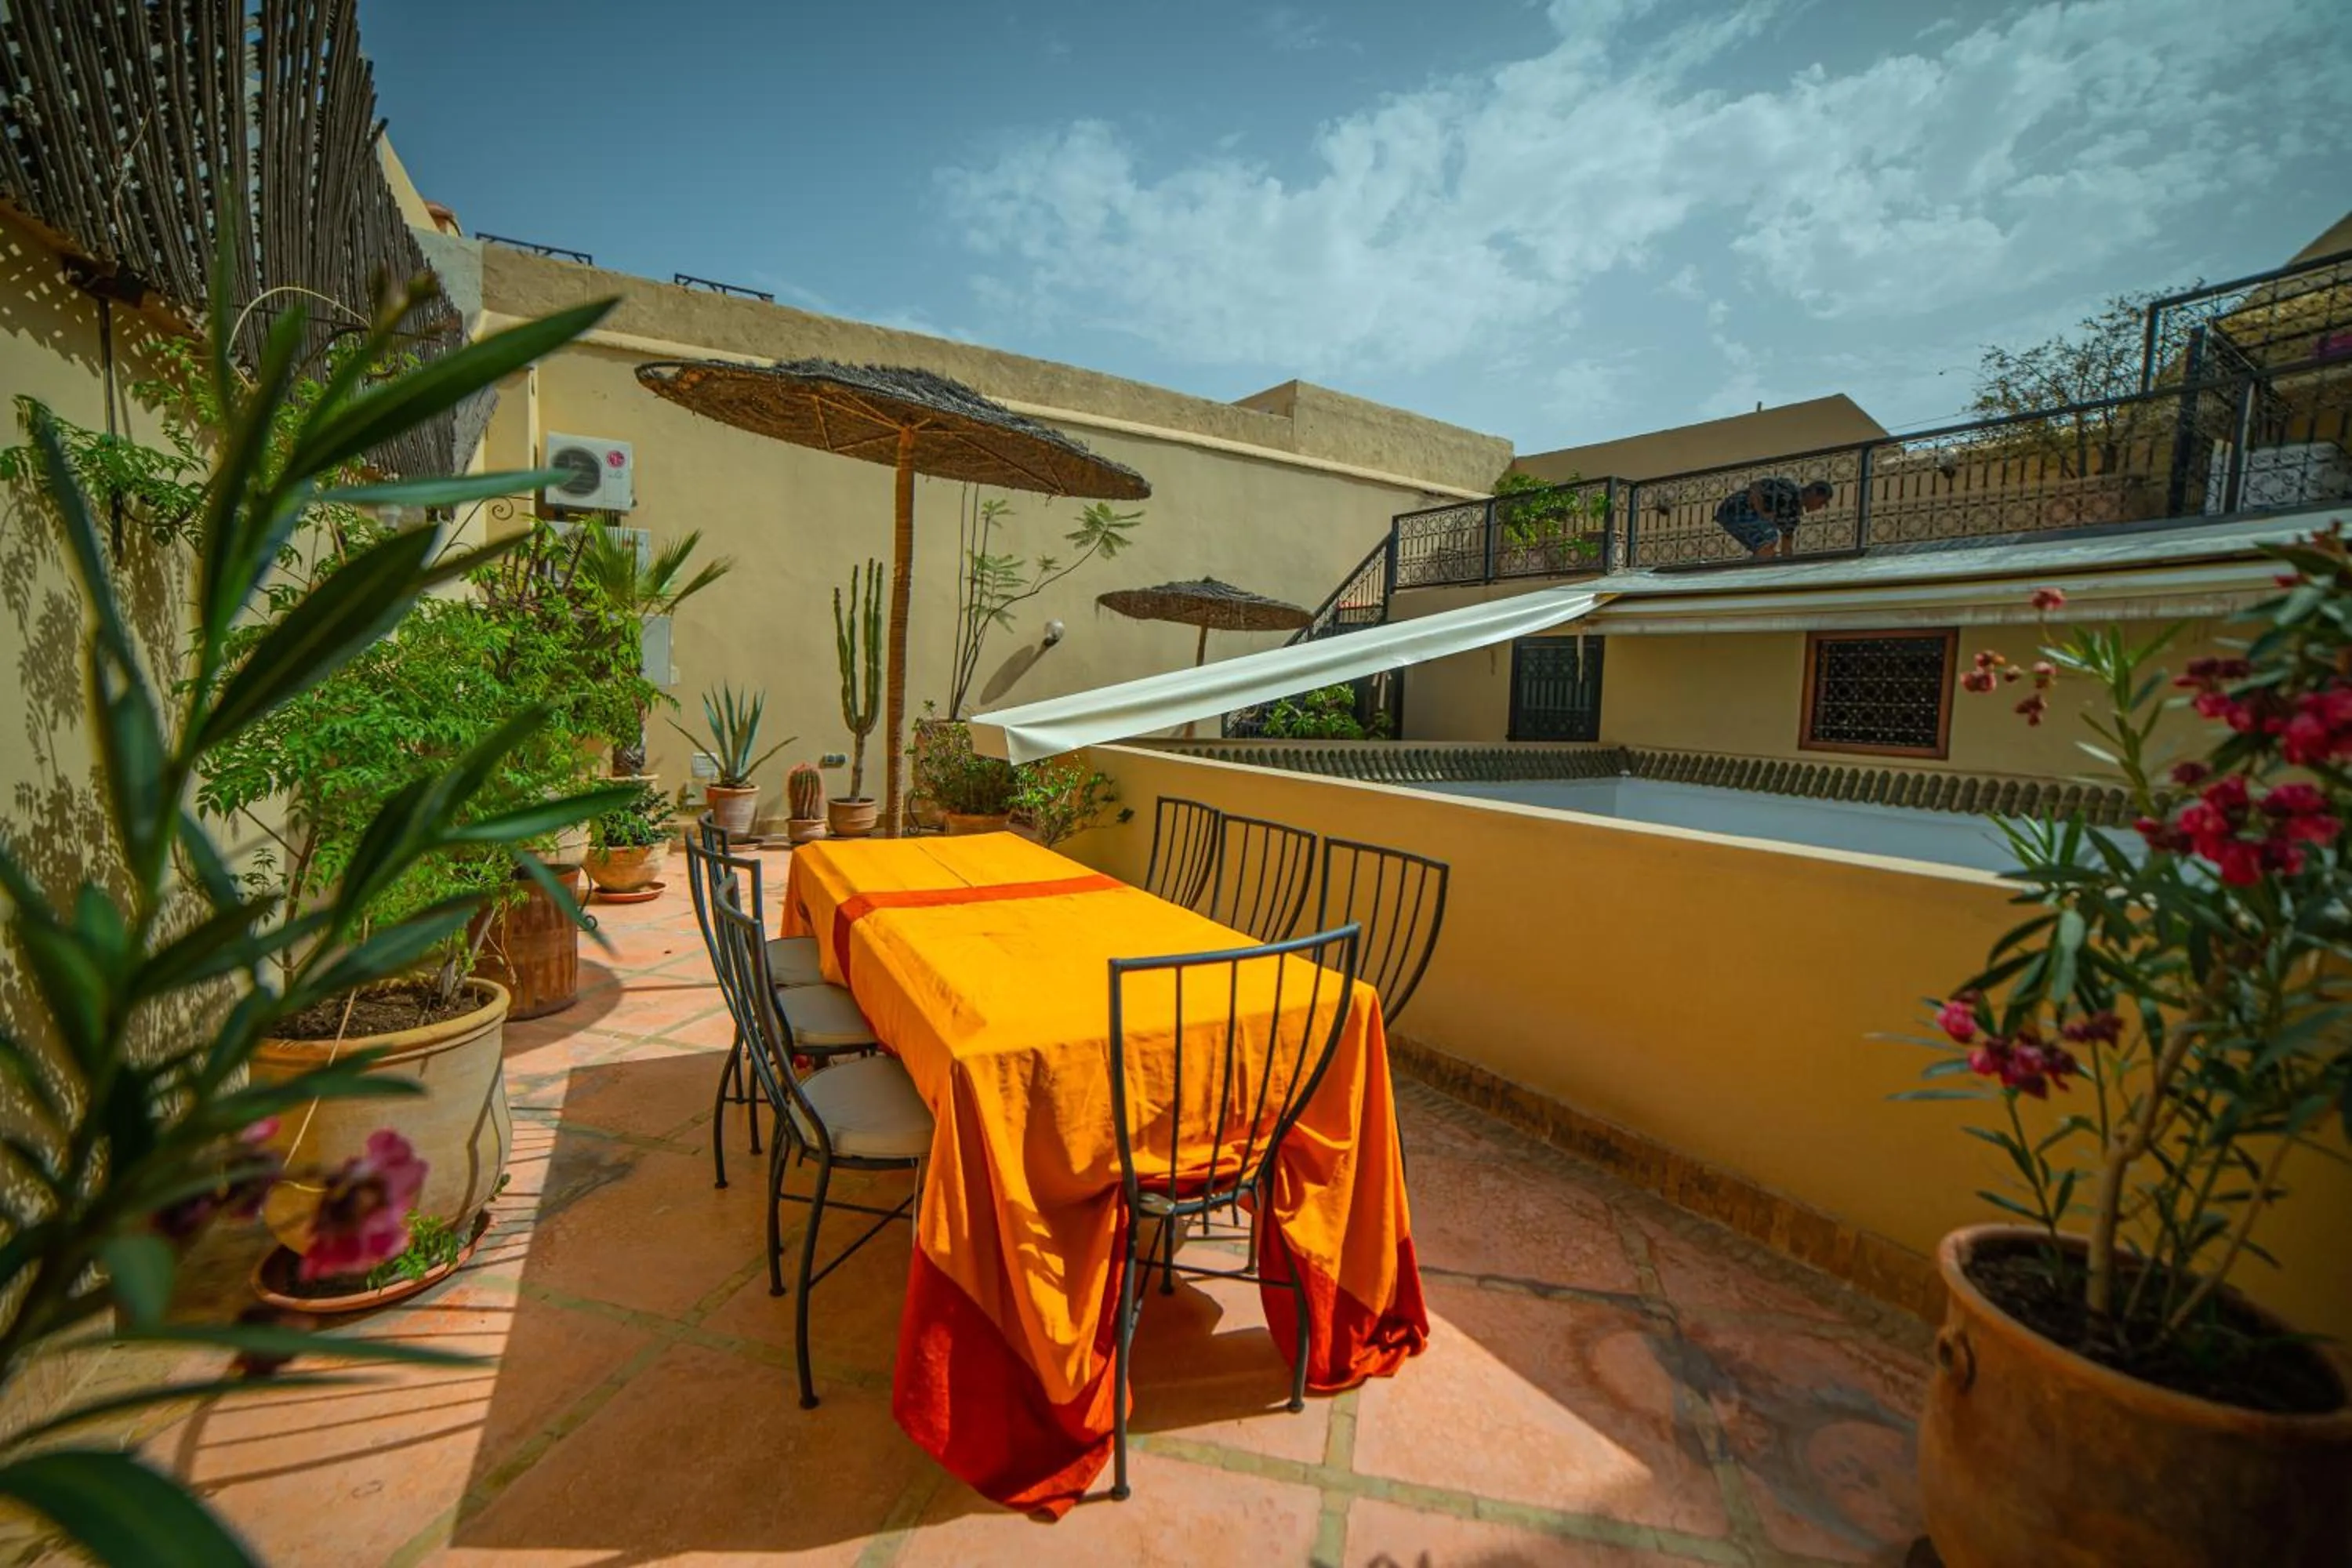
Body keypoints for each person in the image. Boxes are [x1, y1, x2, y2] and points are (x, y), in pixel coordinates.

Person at [1715, 477, 1833, 560]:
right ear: (1813, 493)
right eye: (1821, 502)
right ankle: (1753, 570)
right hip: (1735, 508)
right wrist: (1762, 512)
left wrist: (1787, 568)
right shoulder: (1789, 490)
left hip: (1734, 516)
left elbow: (1787, 544)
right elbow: (1755, 487)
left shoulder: (1793, 516)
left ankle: (1757, 567)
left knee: (1768, 549)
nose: (1819, 507)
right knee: (1769, 539)